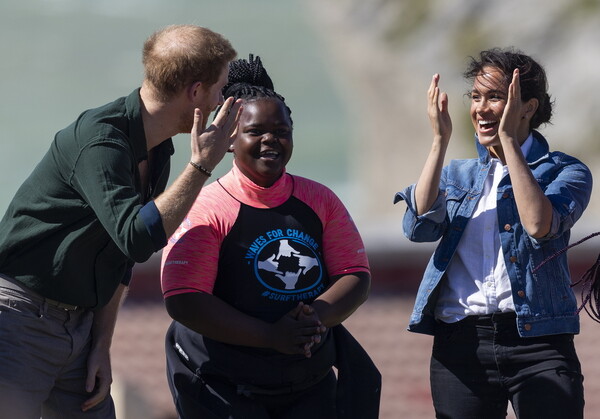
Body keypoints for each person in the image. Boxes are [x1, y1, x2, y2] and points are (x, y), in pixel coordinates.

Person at [0, 24, 241, 418]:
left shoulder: (157, 149)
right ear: (195, 92)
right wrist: (201, 165)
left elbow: (120, 261)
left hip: (78, 329)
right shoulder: (101, 140)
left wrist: (100, 344)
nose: (222, 99)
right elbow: (136, 238)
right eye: (219, 88)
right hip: (17, 318)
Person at [161, 54, 380, 419]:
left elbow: (355, 275)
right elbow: (184, 300)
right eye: (256, 131)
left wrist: (314, 319)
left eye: (281, 132)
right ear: (230, 139)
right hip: (224, 384)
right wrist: (270, 336)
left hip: (305, 377)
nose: (270, 141)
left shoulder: (319, 199)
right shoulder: (206, 206)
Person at [394, 47, 592, 418]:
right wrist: (439, 141)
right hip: (461, 344)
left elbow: (539, 225)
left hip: (539, 341)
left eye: (496, 97)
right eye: (476, 96)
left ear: (528, 107)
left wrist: (510, 144)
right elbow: (418, 227)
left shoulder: (567, 171)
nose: (481, 108)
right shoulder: (458, 175)